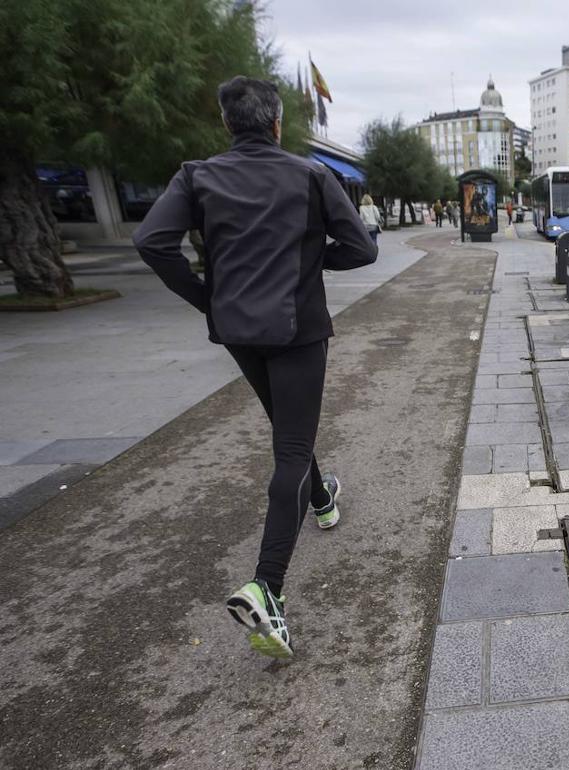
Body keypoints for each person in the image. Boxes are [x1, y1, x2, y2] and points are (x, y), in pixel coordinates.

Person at [133, 76, 377, 659]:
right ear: (275, 123)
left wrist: (206, 296)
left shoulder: (196, 175)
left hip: (239, 332)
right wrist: (313, 258)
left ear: (226, 123)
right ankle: (267, 587)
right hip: (296, 330)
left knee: (288, 426)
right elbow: (363, 249)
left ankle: (321, 500)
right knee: (291, 446)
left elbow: (152, 242)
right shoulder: (312, 174)